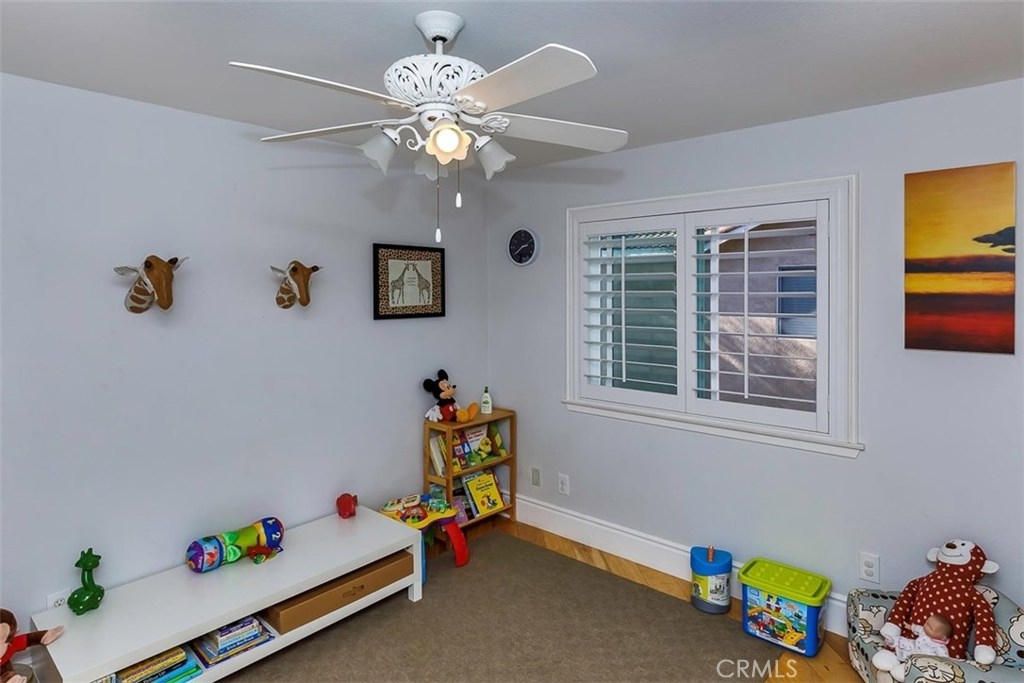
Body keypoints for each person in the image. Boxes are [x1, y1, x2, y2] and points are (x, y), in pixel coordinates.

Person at [886, 613, 953, 661]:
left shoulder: (939, 646)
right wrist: (911, 627)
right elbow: (918, 628)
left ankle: (899, 658)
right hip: (914, 645)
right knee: (903, 640)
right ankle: (892, 641)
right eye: (926, 623)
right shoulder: (924, 631)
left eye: (931, 628)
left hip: (921, 655)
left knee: (910, 656)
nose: (926, 626)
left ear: (942, 638)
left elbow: (944, 658)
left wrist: (946, 662)